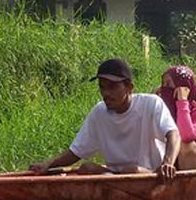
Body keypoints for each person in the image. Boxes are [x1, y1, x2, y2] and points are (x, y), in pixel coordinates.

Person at [30, 58, 180, 179]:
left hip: (147, 175)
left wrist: (168, 163)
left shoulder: (151, 103)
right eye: (102, 87)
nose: (106, 93)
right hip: (112, 177)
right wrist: (48, 164)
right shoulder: (99, 112)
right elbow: (76, 152)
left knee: (132, 171)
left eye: (113, 87)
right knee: (86, 168)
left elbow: (173, 134)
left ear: (129, 87)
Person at [158, 66, 196, 169]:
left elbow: (186, 136)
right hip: (171, 161)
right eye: (163, 85)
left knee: (186, 146)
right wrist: (154, 102)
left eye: (168, 84)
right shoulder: (164, 110)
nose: (165, 89)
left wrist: (182, 102)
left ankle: (192, 184)